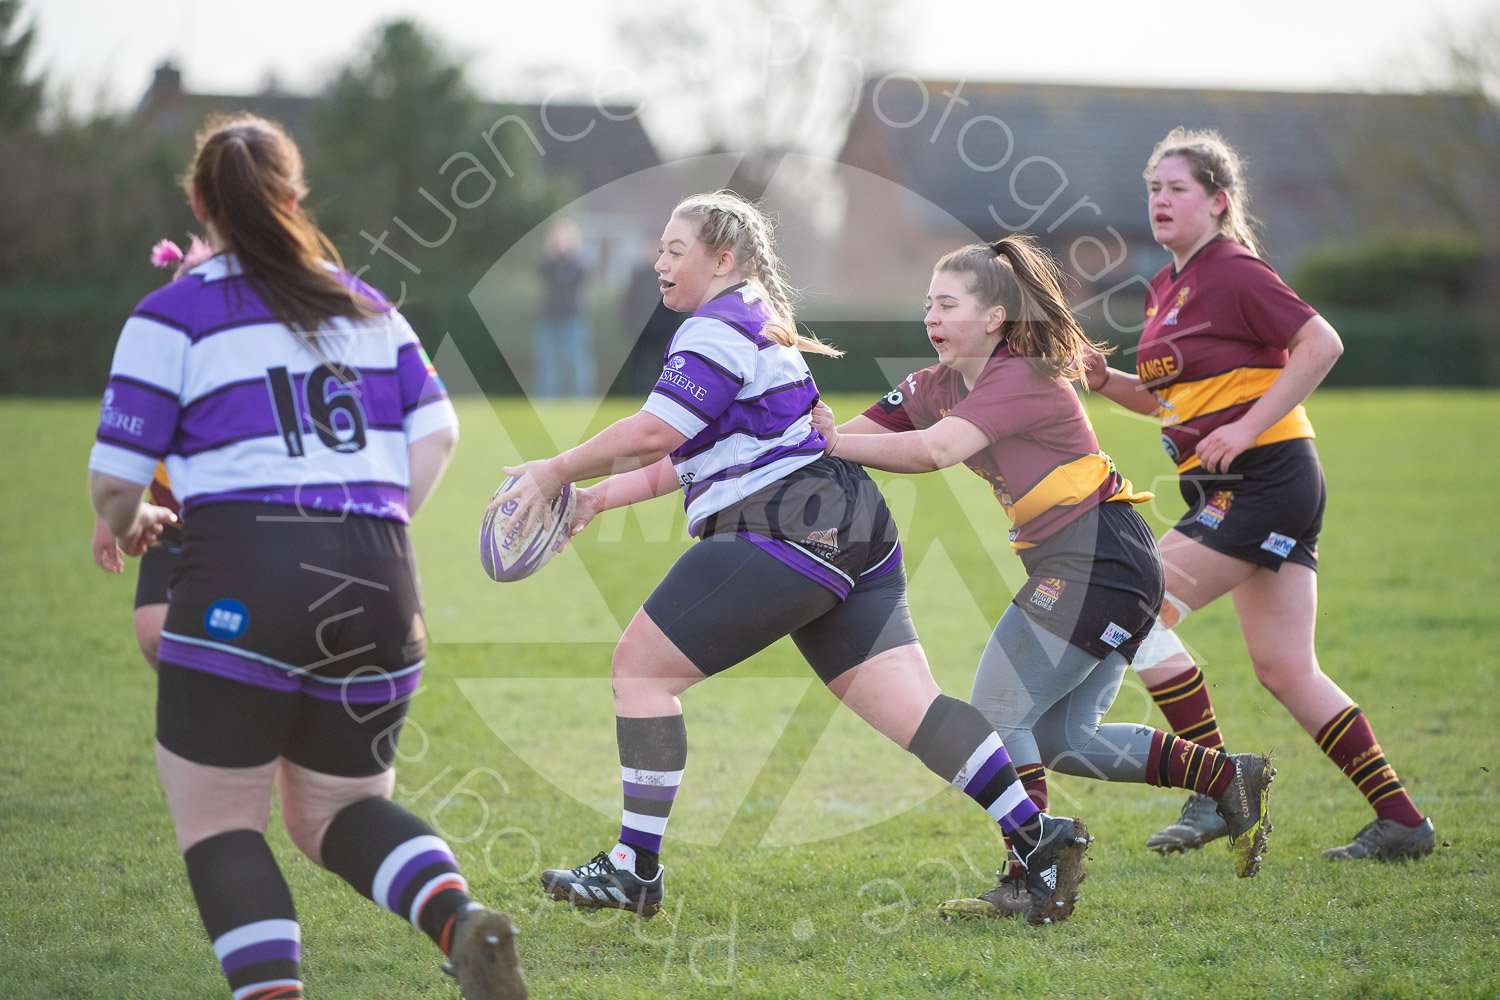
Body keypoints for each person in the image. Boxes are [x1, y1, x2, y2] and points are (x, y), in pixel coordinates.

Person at [493, 190, 1091, 927]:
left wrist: (555, 468)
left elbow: (654, 433)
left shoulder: (716, 328)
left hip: (787, 526)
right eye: (659, 249)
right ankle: (1039, 837)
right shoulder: (751, 320)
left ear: (723, 257)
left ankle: (633, 867)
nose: (659, 262)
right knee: (913, 708)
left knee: (640, 670)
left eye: (676, 250)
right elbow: (689, 455)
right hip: (852, 524)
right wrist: (592, 499)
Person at [87, 113, 527, 999]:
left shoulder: (172, 311)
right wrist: (370, 519)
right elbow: (438, 434)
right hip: (377, 574)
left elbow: (114, 480)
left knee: (223, 824)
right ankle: (457, 917)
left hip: (241, 567)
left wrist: (131, 519)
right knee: (341, 810)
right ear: (294, 198)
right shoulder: (369, 305)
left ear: (202, 202)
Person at [814, 235, 1273, 918]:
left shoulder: (1022, 372)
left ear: (994, 317)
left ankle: (1035, 879)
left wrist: (831, 441)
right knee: (1064, 740)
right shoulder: (932, 383)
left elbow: (936, 449)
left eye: (947, 303)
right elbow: (850, 438)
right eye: (926, 304)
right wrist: (788, 440)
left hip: (1100, 559)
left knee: (997, 714)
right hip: (1093, 562)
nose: (930, 317)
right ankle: (1227, 777)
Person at [1085, 127, 1433, 862]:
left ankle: (1221, 788)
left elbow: (1322, 343)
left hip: (1264, 479)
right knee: (1285, 668)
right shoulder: (1166, 284)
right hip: (1238, 486)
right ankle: (1402, 821)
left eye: (1178, 188)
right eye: (1153, 188)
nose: (1161, 200)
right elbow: (1162, 401)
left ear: (1218, 201)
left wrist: (1243, 430)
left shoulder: (1235, 271)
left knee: (1132, 602)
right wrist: (1102, 381)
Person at [90, 464, 180, 669]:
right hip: (171, 522)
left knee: (241, 637)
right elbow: (123, 444)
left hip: (250, 521)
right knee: (156, 634)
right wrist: (108, 517)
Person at [532, 217, 593, 398]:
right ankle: (546, 399)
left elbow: (581, 273)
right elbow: (541, 271)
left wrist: (568, 254)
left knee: (577, 362)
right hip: (549, 318)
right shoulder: (548, 264)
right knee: (547, 362)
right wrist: (553, 254)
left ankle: (581, 399)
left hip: (574, 318)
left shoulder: (579, 262)